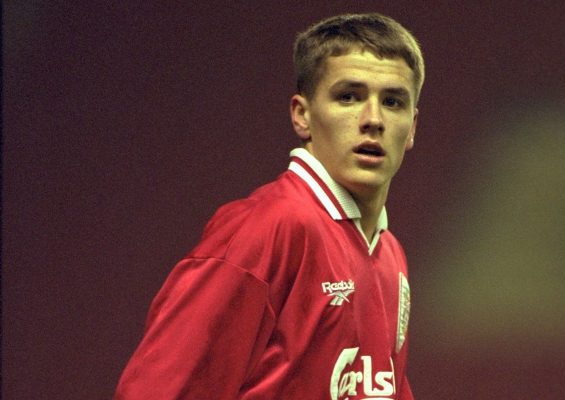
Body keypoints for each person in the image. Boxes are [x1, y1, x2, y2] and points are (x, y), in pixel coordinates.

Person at [115, 12, 424, 400]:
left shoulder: (388, 252)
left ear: (412, 127)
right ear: (302, 115)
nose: (373, 119)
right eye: (348, 96)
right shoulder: (267, 227)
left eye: (393, 101)